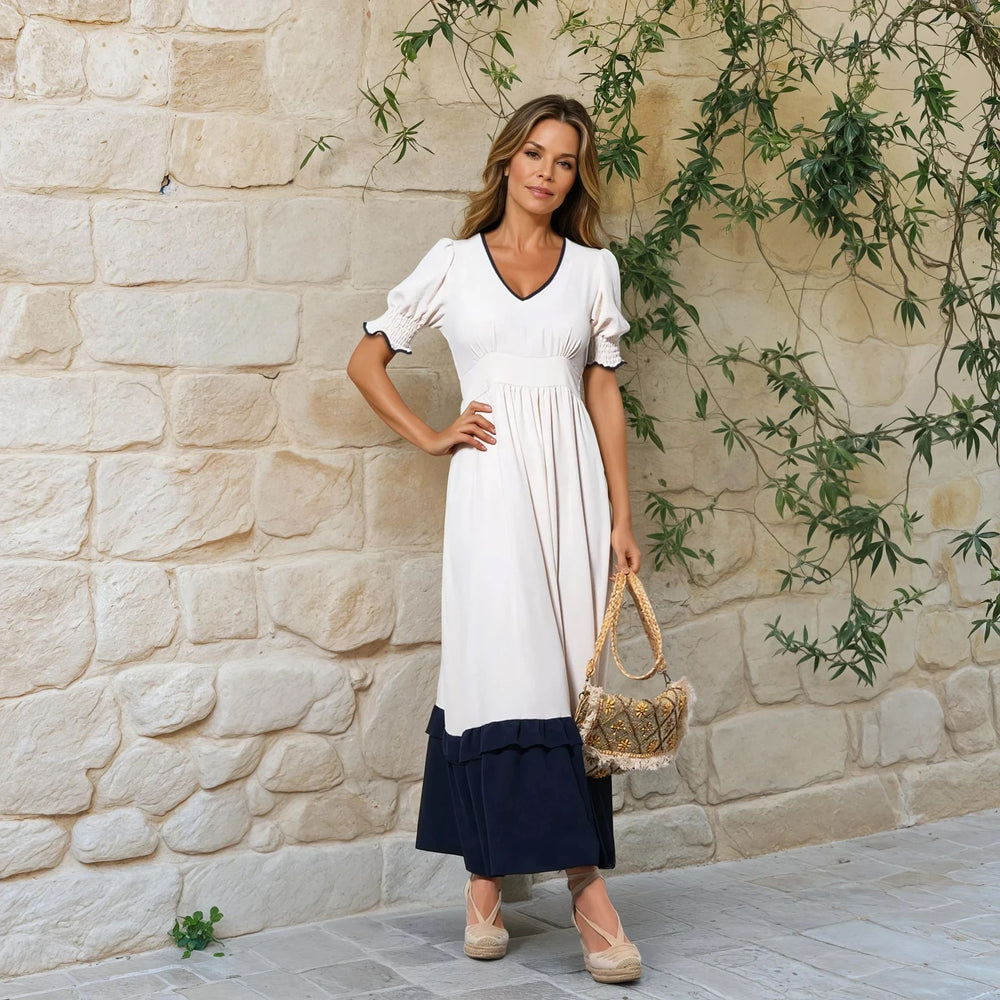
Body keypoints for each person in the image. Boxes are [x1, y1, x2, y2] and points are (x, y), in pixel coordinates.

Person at [347, 94, 642, 985]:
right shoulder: (452, 265)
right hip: (490, 491)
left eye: (565, 162)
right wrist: (434, 434)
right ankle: (559, 892)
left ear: (573, 176)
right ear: (508, 159)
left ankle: (513, 885)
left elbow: (602, 396)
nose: (548, 174)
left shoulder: (594, 269)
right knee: (495, 671)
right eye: (536, 155)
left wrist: (624, 516)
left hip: (574, 493)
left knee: (562, 680)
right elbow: (366, 359)